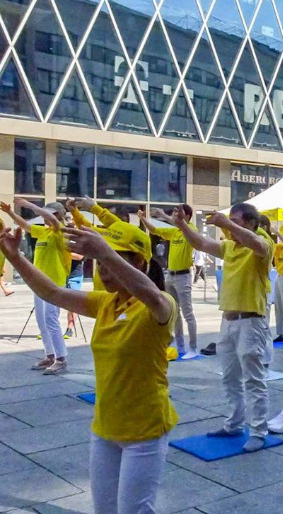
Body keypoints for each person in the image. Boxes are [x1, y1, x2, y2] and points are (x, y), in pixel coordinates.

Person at [0, 213, 177, 514]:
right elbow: (53, 292)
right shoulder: (106, 303)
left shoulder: (158, 306)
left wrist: (103, 252)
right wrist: (16, 258)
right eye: (100, 265)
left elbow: (152, 297)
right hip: (105, 427)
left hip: (145, 431)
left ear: (139, 264)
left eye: (111, 263)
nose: (103, 273)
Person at [174, 204, 274, 452]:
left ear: (251, 223)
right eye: (229, 221)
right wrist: (182, 225)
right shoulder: (230, 246)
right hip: (228, 320)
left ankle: (259, 430)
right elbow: (201, 244)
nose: (229, 226)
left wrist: (226, 224)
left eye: (236, 221)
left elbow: (258, 246)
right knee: (230, 377)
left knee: (253, 378)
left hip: (251, 320)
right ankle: (234, 424)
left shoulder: (262, 241)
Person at [2, 198, 70, 374]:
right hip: (39, 283)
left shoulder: (60, 231)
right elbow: (25, 226)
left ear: (54, 215)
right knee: (42, 321)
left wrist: (30, 205)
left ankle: (61, 358)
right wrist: (10, 212)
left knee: (51, 320)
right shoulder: (44, 232)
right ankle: (50, 355)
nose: (42, 216)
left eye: (47, 213)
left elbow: (55, 222)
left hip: (54, 283)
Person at [139, 206, 199, 359]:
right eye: (174, 213)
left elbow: (182, 226)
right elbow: (154, 230)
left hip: (183, 276)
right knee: (175, 313)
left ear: (187, 216)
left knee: (188, 313)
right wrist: (143, 219)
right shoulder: (175, 232)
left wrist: (164, 216)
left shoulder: (191, 230)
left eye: (178, 213)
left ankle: (193, 348)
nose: (175, 216)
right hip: (171, 275)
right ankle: (180, 347)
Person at [65, 251, 85, 338]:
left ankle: (70, 328)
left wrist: (62, 253)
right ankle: (49, 328)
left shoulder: (77, 242)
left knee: (73, 304)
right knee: (52, 304)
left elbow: (80, 256)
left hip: (74, 276)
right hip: (59, 274)